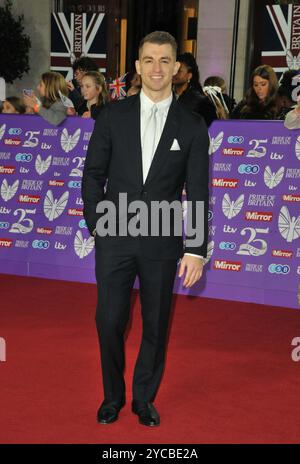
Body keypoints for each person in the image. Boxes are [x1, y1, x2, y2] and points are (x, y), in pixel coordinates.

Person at [82, 31, 209, 427]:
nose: (157, 68)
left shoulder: (192, 125)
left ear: (176, 68)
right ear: (137, 66)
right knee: (108, 320)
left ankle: (142, 398)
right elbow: (92, 177)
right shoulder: (112, 116)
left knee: (156, 323)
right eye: (149, 60)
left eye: (165, 61)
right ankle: (112, 395)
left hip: (162, 240)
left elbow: (200, 192)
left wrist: (195, 249)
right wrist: (98, 225)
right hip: (115, 236)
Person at [172, 52, 217, 126]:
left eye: (179, 71)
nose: (174, 73)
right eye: (173, 70)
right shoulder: (164, 96)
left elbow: (210, 128)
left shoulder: (201, 102)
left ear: (189, 75)